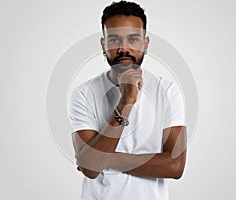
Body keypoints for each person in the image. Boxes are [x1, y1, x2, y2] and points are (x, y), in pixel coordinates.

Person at [69, 1, 187, 199]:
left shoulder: (167, 91)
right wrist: (126, 103)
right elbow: (90, 170)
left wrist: (104, 159)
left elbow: (175, 166)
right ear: (103, 45)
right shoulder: (84, 93)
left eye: (133, 39)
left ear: (145, 44)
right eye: (114, 40)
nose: (124, 49)